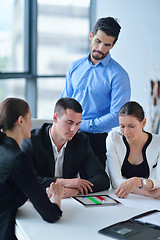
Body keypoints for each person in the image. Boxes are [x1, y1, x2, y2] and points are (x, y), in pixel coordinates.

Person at [61, 17, 131, 169]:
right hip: (68, 136)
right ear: (91, 36)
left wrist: (82, 125)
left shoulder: (119, 75)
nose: (100, 48)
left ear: (113, 44)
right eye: (98, 41)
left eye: (107, 45)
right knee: (64, 183)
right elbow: (64, 102)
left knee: (92, 187)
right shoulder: (74, 67)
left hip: (96, 141)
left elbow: (117, 116)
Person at [0, 97, 63, 240]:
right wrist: (57, 196)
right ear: (21, 121)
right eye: (29, 117)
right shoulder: (18, 158)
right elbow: (50, 215)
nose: (31, 123)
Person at [21, 97, 110, 199]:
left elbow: (102, 179)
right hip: (38, 201)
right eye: (69, 122)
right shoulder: (31, 141)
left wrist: (76, 190)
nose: (73, 129)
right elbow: (25, 179)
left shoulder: (81, 141)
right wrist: (64, 182)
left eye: (77, 124)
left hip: (68, 201)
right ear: (55, 118)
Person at [106, 101, 160, 199]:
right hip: (123, 198)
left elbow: (159, 180)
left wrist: (137, 181)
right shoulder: (113, 138)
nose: (126, 132)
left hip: (148, 202)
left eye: (131, 126)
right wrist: (149, 193)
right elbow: (116, 182)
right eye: (122, 126)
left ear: (143, 122)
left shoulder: (158, 143)